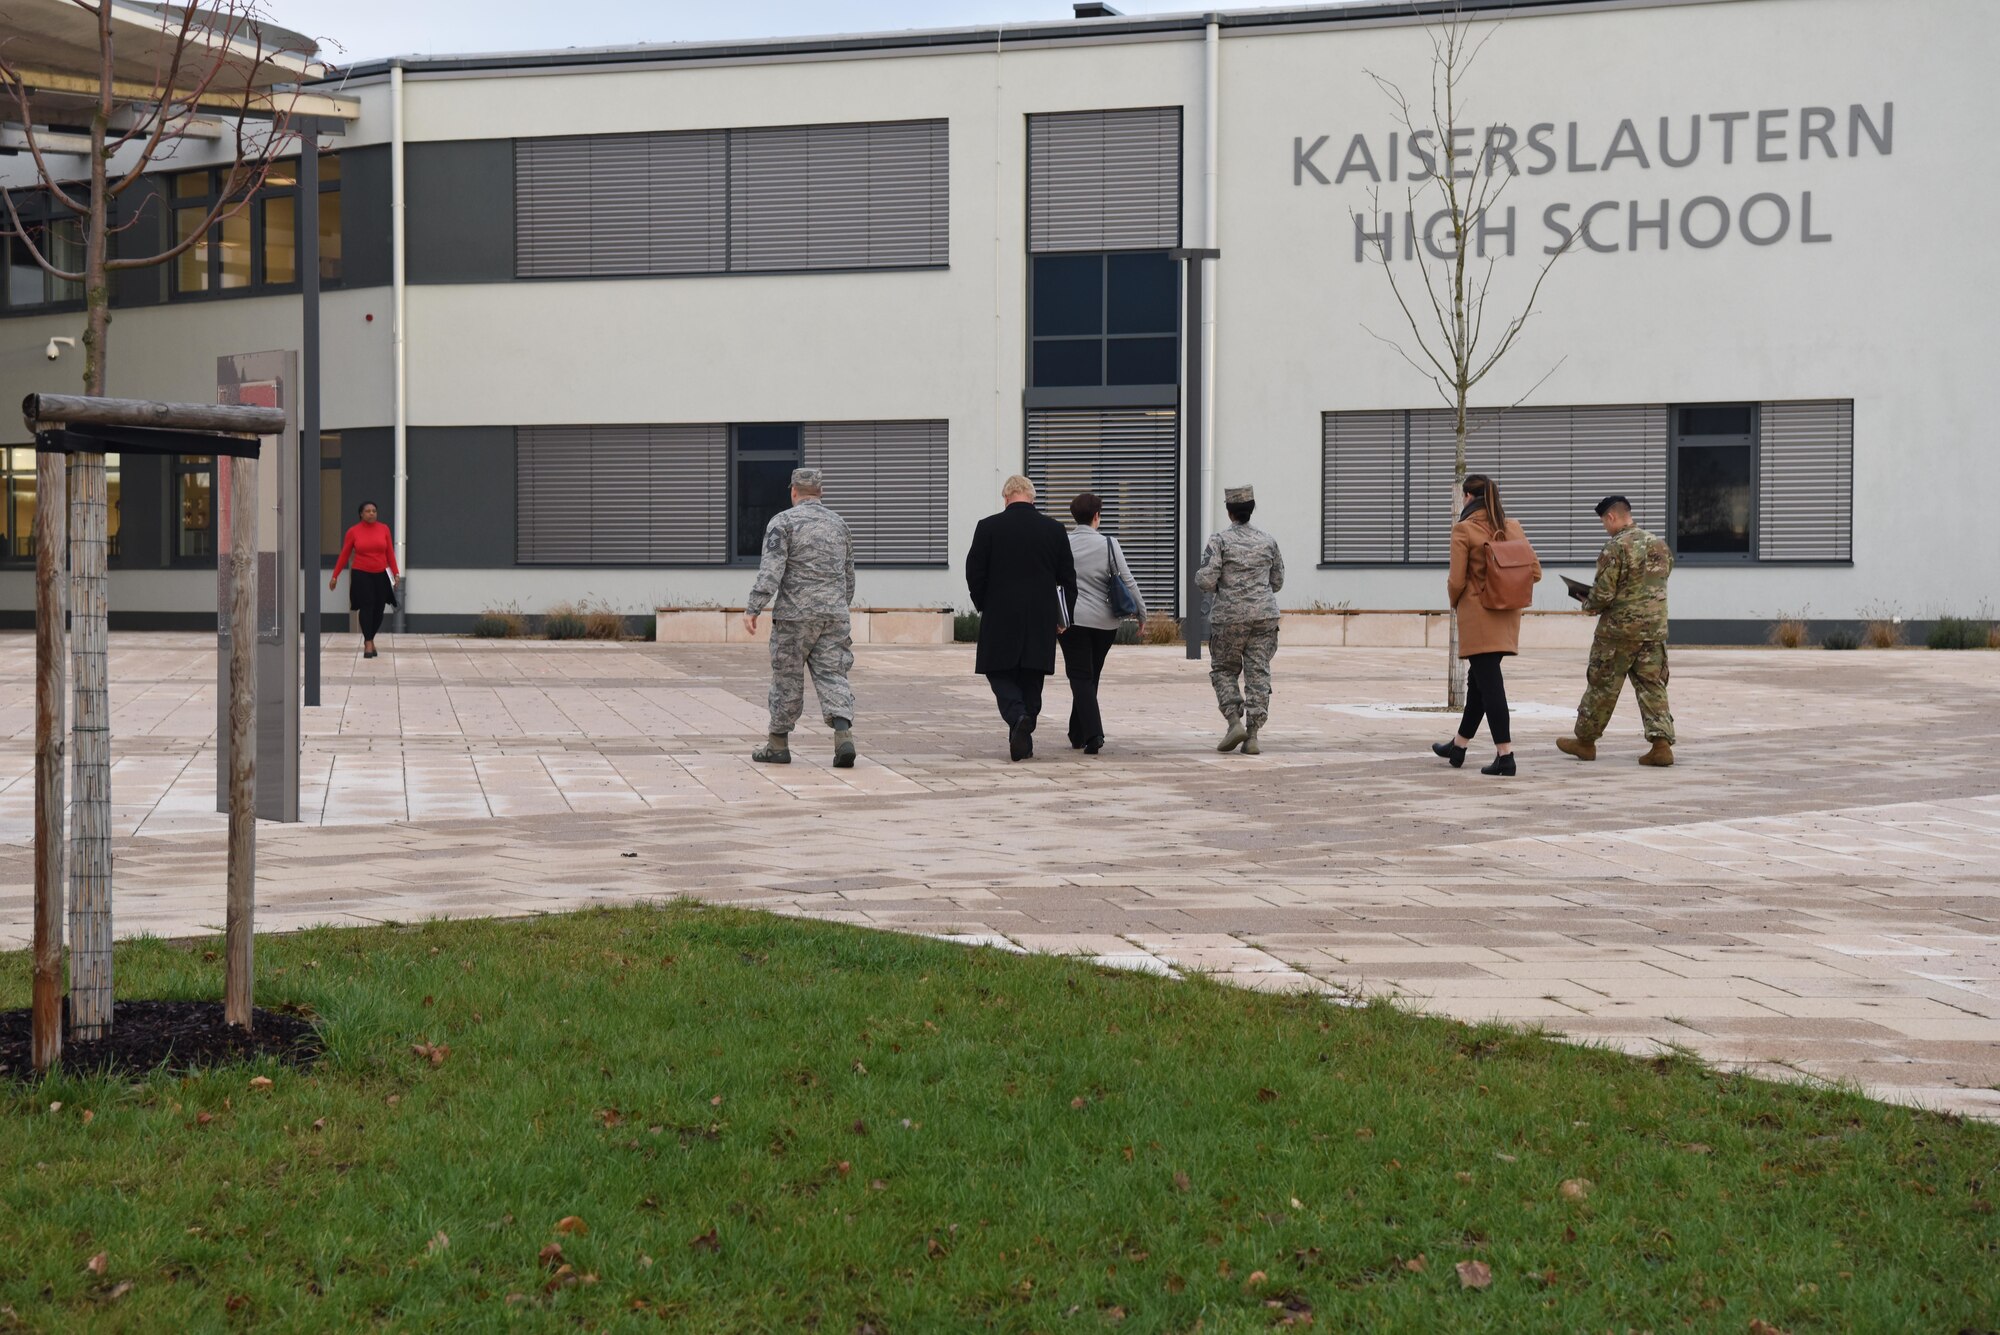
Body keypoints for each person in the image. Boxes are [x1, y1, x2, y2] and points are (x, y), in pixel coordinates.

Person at [743, 468, 858, 768]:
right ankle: (843, 737)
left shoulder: (782, 522)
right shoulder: (840, 525)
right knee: (834, 674)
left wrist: (754, 607)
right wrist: (837, 607)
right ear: (820, 492)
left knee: (787, 678)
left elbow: (771, 571)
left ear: (793, 491)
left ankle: (778, 744)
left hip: (794, 618)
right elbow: (848, 576)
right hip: (833, 615)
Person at [1433, 474, 1542, 777]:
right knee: (1479, 683)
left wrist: (1457, 601)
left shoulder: (1463, 530)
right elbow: (1535, 571)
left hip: (1478, 613)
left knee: (1490, 684)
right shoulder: (1512, 527)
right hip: (1507, 613)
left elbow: (1456, 580)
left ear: (1467, 497)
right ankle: (1458, 746)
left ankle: (1505, 755)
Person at [1558, 494, 1677, 766]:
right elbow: (1660, 579)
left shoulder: (1615, 547)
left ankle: (1585, 742)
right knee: (1652, 685)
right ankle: (1661, 745)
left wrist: (1586, 600)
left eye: (1604, 522)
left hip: (1617, 633)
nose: (1605, 527)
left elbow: (1604, 594)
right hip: (1654, 630)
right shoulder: (1659, 544)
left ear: (1611, 517)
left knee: (1602, 686)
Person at [966, 474, 1077, 761]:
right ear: (1032, 498)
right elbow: (1067, 578)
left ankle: (1018, 717)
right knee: (1032, 673)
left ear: (1005, 497)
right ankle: (1025, 724)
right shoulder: (1054, 530)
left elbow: (974, 572)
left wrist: (984, 604)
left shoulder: (988, 527)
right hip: (1040, 617)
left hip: (1000, 614)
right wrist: (1063, 617)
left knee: (998, 671)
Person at [1197, 485, 1284, 755]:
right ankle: (1253, 735)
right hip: (1264, 617)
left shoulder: (1219, 541)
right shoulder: (1268, 540)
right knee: (1258, 673)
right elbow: (1277, 581)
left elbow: (1205, 579)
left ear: (1229, 511)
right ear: (1252, 508)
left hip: (1229, 618)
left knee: (1223, 669)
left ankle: (1234, 722)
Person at [1061, 491, 1148, 755]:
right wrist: (1141, 613)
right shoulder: (1109, 544)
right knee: (1090, 675)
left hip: (1073, 621)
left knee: (1080, 676)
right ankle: (1077, 732)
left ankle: (1093, 734)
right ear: (1097, 516)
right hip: (1105, 624)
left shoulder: (1063, 543)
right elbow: (1128, 580)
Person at [329, 500, 399, 659]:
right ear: (361, 514)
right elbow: (345, 554)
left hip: (381, 573)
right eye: (367, 511)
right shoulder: (353, 531)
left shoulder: (384, 529)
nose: (371, 513)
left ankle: (371, 638)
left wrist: (396, 573)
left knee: (379, 609)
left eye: (374, 510)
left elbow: (390, 554)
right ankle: (368, 642)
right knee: (367, 606)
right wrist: (335, 576)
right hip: (361, 573)